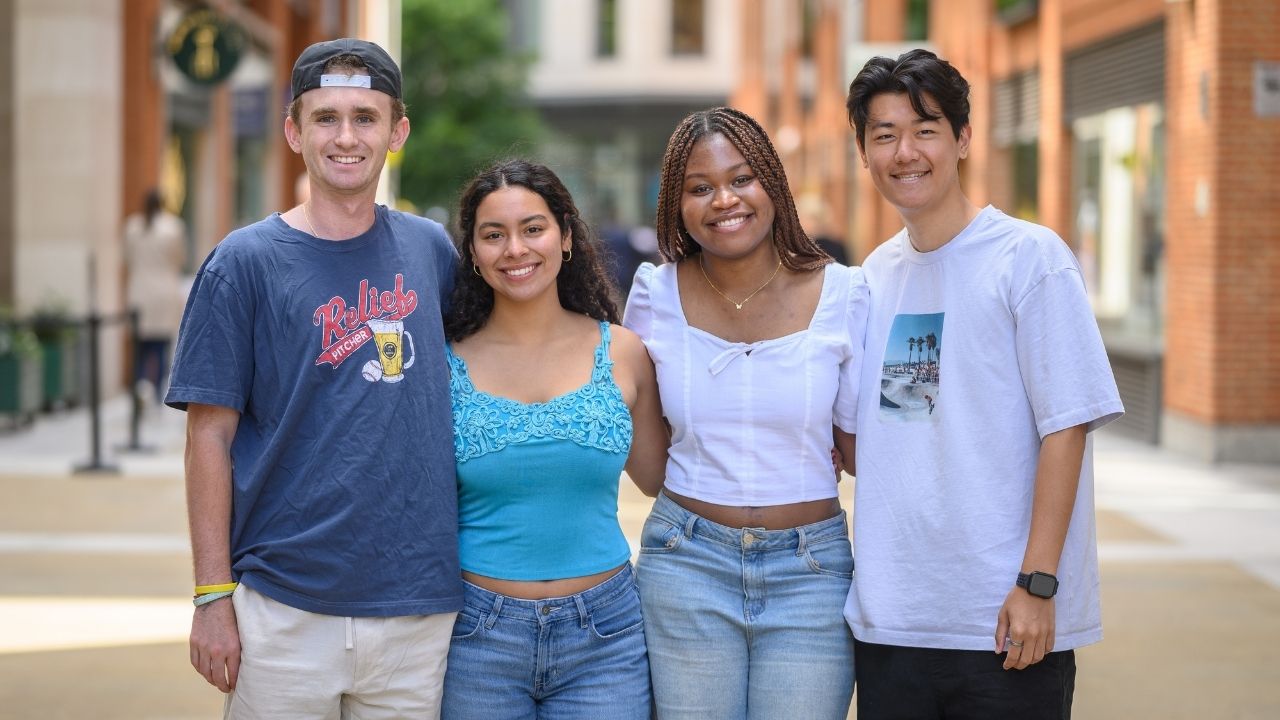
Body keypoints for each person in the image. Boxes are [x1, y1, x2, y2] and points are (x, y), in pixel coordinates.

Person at [165, 38, 461, 718]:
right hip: (283, 605)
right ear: (294, 131)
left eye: (366, 117)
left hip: (418, 608)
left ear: (397, 132)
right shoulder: (242, 263)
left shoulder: (432, 250)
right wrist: (212, 597)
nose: (346, 137)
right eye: (326, 118)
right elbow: (208, 438)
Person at [842, 49, 1124, 719]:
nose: (905, 152)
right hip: (895, 626)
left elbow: (1068, 425)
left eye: (926, 129)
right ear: (864, 153)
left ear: (963, 139)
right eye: (883, 135)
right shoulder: (873, 278)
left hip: (1007, 625)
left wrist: (1038, 584)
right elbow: (891, 434)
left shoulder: (1029, 259)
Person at [623, 107, 868, 719]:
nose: (723, 200)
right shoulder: (654, 296)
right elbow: (649, 470)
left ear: (772, 185)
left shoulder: (845, 293)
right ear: (675, 206)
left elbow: (860, 448)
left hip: (810, 572)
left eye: (741, 179)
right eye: (699, 188)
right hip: (687, 561)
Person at [439, 159, 668, 719]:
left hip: (607, 637)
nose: (515, 249)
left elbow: (661, 477)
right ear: (472, 252)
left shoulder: (623, 351)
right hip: (476, 638)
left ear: (566, 237)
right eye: (493, 235)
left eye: (533, 228)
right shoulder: (441, 365)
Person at [123, 188, 187, 401]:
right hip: (164, 292)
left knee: (140, 346)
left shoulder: (132, 227)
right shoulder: (173, 227)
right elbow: (179, 259)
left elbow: (127, 259)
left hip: (139, 291)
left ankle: (140, 385)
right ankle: (157, 393)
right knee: (161, 346)